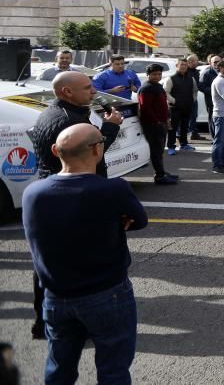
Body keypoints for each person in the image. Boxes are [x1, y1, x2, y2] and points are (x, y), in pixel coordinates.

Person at [23, 123, 148, 384]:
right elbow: (139, 219)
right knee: (113, 368)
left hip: (56, 297)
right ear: (97, 150)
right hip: (106, 294)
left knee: (59, 368)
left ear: (56, 151)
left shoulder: (33, 192)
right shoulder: (113, 190)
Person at [27, 71, 123, 340]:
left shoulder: (62, 113)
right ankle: (60, 323)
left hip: (58, 194)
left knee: (51, 265)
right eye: (87, 88)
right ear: (66, 92)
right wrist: (110, 129)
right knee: (74, 264)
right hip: (73, 199)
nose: (93, 92)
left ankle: (46, 322)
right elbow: (90, 156)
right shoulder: (67, 121)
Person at [137, 63, 180, 185]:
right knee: (156, 151)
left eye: (159, 74)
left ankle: (162, 172)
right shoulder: (146, 88)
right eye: (154, 74)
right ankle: (160, 176)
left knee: (160, 150)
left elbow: (162, 106)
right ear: (148, 75)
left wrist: (167, 120)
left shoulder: (157, 86)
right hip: (153, 125)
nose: (157, 76)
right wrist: (156, 122)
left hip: (161, 123)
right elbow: (145, 108)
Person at [164, 57, 198, 155]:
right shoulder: (170, 79)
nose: (183, 66)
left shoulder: (191, 79)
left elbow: (195, 91)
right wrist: (174, 101)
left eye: (185, 65)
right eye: (181, 65)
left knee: (185, 126)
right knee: (172, 128)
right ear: (177, 66)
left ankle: (184, 144)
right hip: (174, 108)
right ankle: (171, 146)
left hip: (187, 106)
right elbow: (165, 92)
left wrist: (193, 99)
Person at [198, 55, 222, 139]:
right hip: (211, 101)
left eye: (218, 61)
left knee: (223, 121)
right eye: (215, 62)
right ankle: (215, 138)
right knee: (213, 120)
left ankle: (223, 138)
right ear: (210, 63)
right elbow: (201, 86)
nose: (217, 63)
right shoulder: (206, 73)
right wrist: (214, 91)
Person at [185, 54, 206, 140]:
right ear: (190, 62)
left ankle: (194, 133)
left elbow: (197, 84)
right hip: (186, 98)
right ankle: (182, 136)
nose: (197, 62)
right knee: (186, 117)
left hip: (194, 97)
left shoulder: (195, 71)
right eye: (196, 61)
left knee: (194, 116)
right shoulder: (186, 72)